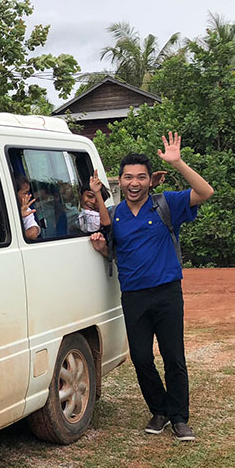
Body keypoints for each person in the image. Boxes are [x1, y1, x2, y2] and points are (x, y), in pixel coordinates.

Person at [89, 132, 214, 442]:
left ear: (150, 180)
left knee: (174, 357)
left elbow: (205, 191)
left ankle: (179, 418)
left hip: (167, 293)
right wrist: (102, 248)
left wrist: (178, 162)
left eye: (141, 177)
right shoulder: (116, 215)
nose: (135, 182)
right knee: (142, 358)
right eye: (129, 177)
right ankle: (158, 410)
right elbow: (116, 253)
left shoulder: (165, 204)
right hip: (133, 296)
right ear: (119, 180)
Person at [15, 176, 40, 241]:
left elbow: (33, 234)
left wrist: (21, 216)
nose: (28, 196)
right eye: (25, 193)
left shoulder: (26, 210)